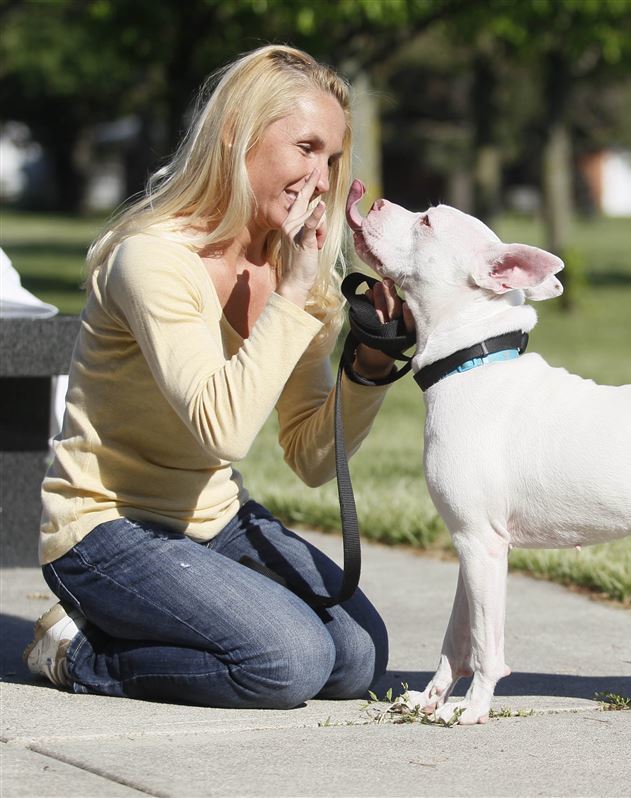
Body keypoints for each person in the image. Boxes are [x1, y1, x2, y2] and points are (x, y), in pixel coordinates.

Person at [23, 45, 408, 709]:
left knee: (356, 657)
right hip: (104, 527)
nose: (319, 178)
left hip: (212, 518)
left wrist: (368, 370)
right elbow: (221, 429)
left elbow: (312, 458)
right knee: (287, 662)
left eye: (333, 157)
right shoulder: (153, 259)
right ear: (237, 137)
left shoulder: (293, 274)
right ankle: (74, 649)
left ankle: (160, 624)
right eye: (306, 147)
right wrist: (288, 298)